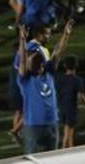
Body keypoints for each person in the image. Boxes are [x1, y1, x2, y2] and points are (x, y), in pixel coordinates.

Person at [17, 20, 73, 154]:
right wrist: (23, 40)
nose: (32, 62)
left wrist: (66, 35)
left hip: (52, 123)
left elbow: (57, 52)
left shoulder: (48, 73)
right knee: (33, 161)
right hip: (34, 126)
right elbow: (23, 62)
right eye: (31, 61)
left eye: (36, 62)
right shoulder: (25, 79)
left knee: (52, 158)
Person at [55, 55, 85, 149]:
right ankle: (62, 150)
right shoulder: (78, 80)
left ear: (64, 66)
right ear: (76, 65)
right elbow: (80, 96)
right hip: (71, 108)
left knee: (70, 131)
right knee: (68, 131)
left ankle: (71, 147)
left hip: (61, 107)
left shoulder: (59, 78)